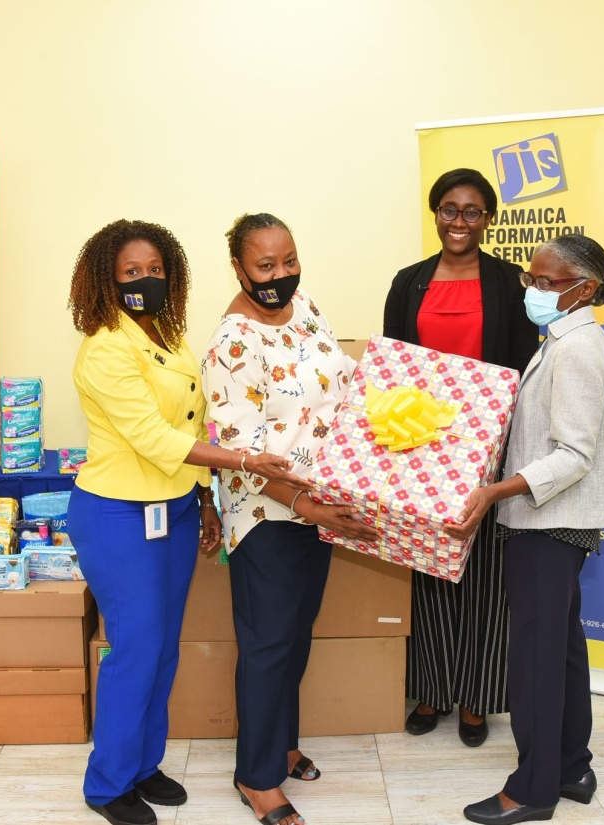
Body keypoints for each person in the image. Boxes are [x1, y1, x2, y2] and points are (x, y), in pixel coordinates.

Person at [66, 219, 309, 825]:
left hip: (173, 510)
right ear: (105, 281)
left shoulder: (167, 336)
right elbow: (152, 436)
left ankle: (144, 765)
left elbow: (195, 421)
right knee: (135, 649)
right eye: (130, 274)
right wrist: (244, 461)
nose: (146, 280)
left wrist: (205, 499)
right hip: (119, 515)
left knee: (161, 650)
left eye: (155, 270)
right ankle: (107, 783)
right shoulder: (105, 347)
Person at [203, 213, 380, 825]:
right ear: (239, 269)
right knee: (267, 644)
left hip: (320, 502)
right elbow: (239, 446)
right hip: (268, 513)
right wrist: (304, 503)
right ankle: (256, 777)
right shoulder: (232, 342)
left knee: (295, 634)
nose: (281, 276)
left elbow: (337, 385)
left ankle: (282, 743)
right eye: (265, 267)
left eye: (289, 261)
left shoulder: (304, 305)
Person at [446, 234, 604, 825]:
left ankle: (532, 788)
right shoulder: (568, 339)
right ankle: (571, 766)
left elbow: (574, 455)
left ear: (586, 288)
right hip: (558, 522)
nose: (535, 291)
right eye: (532, 279)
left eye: (548, 283)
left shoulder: (575, 349)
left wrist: (497, 490)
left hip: (550, 523)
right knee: (563, 649)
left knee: (535, 656)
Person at [383, 167, 539, 746]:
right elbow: (393, 368)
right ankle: (430, 688)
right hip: (419, 447)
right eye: (449, 209)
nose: (459, 222)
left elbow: (522, 370)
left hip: (489, 450)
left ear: (488, 219)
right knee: (427, 565)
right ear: (436, 213)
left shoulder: (510, 283)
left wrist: (486, 435)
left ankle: (476, 698)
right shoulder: (409, 282)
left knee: (484, 574)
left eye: (472, 211)